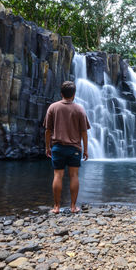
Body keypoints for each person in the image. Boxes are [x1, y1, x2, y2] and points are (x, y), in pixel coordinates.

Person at [43, 81, 90, 214]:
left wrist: (47, 147)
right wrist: (85, 150)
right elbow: (84, 132)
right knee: (74, 176)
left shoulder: (53, 107)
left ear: (61, 94)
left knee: (58, 175)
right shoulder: (79, 109)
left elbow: (48, 130)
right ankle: (73, 207)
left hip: (57, 147)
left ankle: (56, 207)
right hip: (74, 148)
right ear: (74, 95)